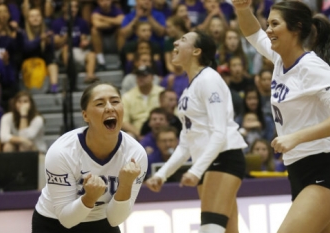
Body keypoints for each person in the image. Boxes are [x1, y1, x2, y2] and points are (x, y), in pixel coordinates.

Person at [233, 1, 330, 233]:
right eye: (268, 23)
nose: (268, 29)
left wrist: (296, 137)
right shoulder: (280, 59)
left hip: (324, 172)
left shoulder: (311, 67)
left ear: (296, 28)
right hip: (298, 172)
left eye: (274, 24)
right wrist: (241, 9)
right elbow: (253, 34)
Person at [145, 30, 247, 233]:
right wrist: (162, 175)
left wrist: (196, 170)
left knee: (210, 229)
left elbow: (219, 133)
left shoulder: (209, 79)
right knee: (228, 230)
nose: (175, 42)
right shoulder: (189, 89)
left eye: (182, 40)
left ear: (196, 51)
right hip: (208, 163)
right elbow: (185, 144)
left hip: (223, 158)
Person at [31, 82, 148, 233]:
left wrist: (125, 184)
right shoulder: (61, 151)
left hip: (101, 222)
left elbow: (115, 219)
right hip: (54, 222)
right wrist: (89, 198)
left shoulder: (136, 154)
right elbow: (67, 220)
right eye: (100, 103)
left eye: (115, 101)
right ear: (85, 115)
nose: (110, 108)